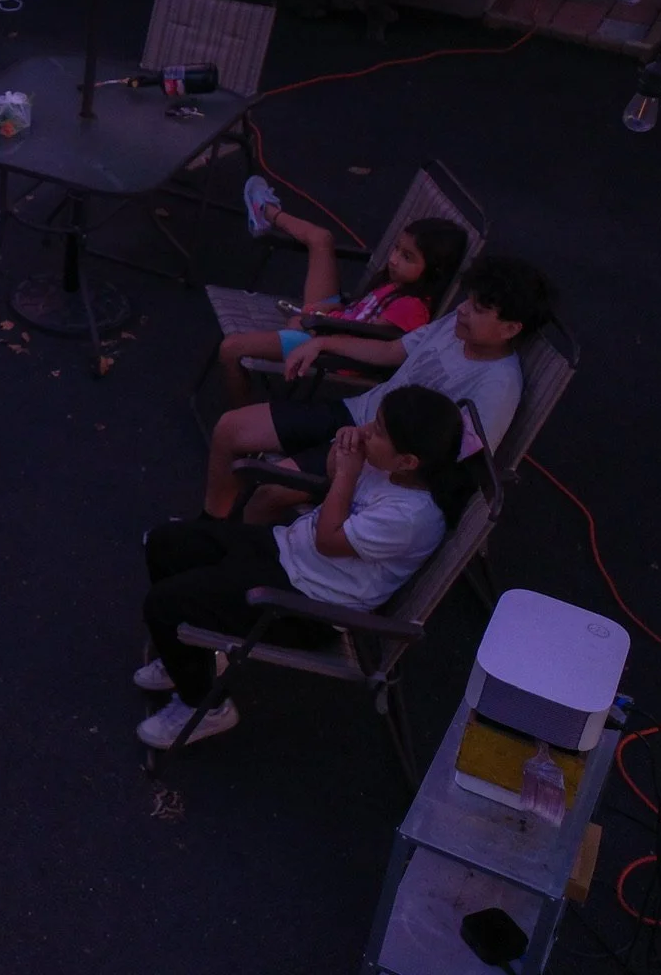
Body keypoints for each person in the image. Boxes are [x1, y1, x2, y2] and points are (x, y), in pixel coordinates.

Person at [136, 385, 468, 748]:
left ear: (409, 460)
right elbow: (331, 476)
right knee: (165, 544)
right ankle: (188, 662)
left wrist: (347, 473)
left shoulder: (411, 517)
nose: (368, 429)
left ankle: (208, 707)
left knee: (164, 606)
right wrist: (345, 447)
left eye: (379, 431)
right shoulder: (386, 467)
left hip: (307, 605)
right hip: (286, 552)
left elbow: (328, 540)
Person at [199, 253, 553, 520]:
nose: (461, 310)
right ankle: (209, 527)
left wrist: (364, 459)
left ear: (510, 328)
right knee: (229, 430)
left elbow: (454, 463)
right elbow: (389, 350)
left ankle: (234, 556)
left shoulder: (499, 387)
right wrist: (324, 343)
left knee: (269, 491)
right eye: (467, 300)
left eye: (477, 309)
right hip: (356, 412)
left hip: (378, 456)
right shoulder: (454, 327)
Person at [216, 176, 469, 408]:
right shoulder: (397, 282)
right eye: (397, 249)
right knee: (321, 238)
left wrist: (314, 326)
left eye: (407, 257)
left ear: (433, 270)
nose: (393, 260)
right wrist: (330, 311)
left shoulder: (411, 307)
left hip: (326, 347)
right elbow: (359, 315)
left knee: (231, 348)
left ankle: (242, 416)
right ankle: (265, 212)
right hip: (332, 322)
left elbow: (369, 341)